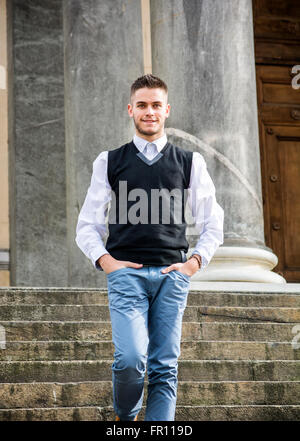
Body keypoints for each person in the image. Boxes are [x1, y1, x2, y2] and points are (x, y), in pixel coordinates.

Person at [75, 74, 224, 421]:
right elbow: (87, 226)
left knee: (164, 367)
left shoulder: (190, 162)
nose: (149, 111)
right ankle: (125, 419)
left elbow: (212, 221)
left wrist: (194, 263)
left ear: (167, 110)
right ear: (130, 110)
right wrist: (106, 261)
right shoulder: (109, 161)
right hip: (127, 276)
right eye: (142, 105)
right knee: (130, 360)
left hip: (173, 276)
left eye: (156, 105)